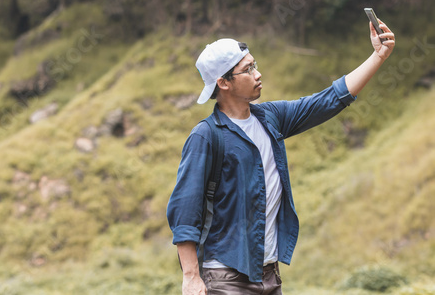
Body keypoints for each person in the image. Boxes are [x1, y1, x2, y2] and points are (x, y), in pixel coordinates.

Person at [167, 20, 395, 295]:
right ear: (223, 82)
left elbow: (329, 100)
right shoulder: (206, 136)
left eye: (254, 64)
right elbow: (185, 210)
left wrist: (378, 55)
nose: (258, 73)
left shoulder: (269, 119)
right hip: (225, 278)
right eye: (248, 69)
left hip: (269, 275)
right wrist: (191, 277)